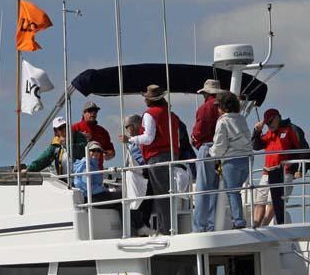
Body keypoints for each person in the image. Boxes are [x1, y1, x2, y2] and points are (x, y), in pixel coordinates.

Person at [119, 85, 180, 235]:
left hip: (157, 157)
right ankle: (170, 227)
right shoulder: (172, 115)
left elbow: (148, 138)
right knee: (168, 194)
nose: (145, 100)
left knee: (161, 196)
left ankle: (165, 230)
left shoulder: (149, 114)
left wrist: (130, 139)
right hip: (172, 156)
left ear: (150, 100)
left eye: (146, 97)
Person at [74, 141, 146, 235]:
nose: (96, 153)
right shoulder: (85, 165)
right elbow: (86, 187)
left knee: (121, 203)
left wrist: (105, 189)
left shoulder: (93, 164)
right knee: (124, 194)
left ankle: (131, 232)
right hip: (91, 197)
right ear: (87, 151)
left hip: (95, 196)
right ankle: (141, 227)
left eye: (99, 151)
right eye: (93, 150)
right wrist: (105, 189)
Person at [251, 108, 302, 227]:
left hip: (283, 172)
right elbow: (256, 145)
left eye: (270, 121)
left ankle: (264, 225)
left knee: (274, 201)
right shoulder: (269, 134)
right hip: (267, 172)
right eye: (267, 123)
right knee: (259, 201)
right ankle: (256, 226)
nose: (269, 124)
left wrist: (299, 169)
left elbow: (301, 148)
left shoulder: (290, 130)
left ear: (278, 118)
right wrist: (257, 131)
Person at [209, 92, 252, 229]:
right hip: (246, 160)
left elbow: (220, 146)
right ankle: (238, 220)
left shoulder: (223, 121)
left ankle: (238, 222)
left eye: (218, 106)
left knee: (232, 192)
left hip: (231, 161)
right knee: (237, 191)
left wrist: (211, 153)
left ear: (223, 107)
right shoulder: (241, 119)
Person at [192, 79, 223, 232]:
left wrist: (194, 139)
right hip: (221, 152)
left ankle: (199, 226)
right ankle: (212, 225)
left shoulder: (205, 108)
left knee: (202, 188)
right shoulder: (223, 108)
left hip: (207, 149)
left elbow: (198, 131)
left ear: (206, 93)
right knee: (215, 188)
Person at [72, 101, 115, 169]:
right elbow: (67, 148)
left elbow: (111, 150)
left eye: (95, 111)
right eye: (90, 110)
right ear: (83, 113)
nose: (93, 113)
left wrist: (110, 154)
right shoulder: (74, 128)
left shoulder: (103, 131)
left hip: (98, 171)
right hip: (79, 171)